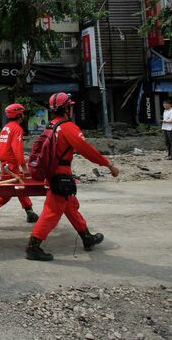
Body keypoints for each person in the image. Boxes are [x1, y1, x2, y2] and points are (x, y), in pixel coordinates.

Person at [26, 93, 120, 262]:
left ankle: (86, 237)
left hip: (53, 173)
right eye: (71, 106)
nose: (72, 109)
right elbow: (87, 150)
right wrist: (108, 165)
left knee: (70, 206)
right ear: (66, 109)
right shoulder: (68, 127)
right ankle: (33, 247)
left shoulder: (50, 125)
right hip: (61, 175)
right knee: (52, 211)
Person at [0, 103, 39, 229]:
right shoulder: (17, 129)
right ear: (18, 114)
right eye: (22, 113)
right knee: (9, 191)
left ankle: (30, 212)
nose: (23, 116)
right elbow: (17, 149)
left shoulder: (6, 127)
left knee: (20, 187)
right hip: (11, 165)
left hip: (5, 163)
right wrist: (24, 167)